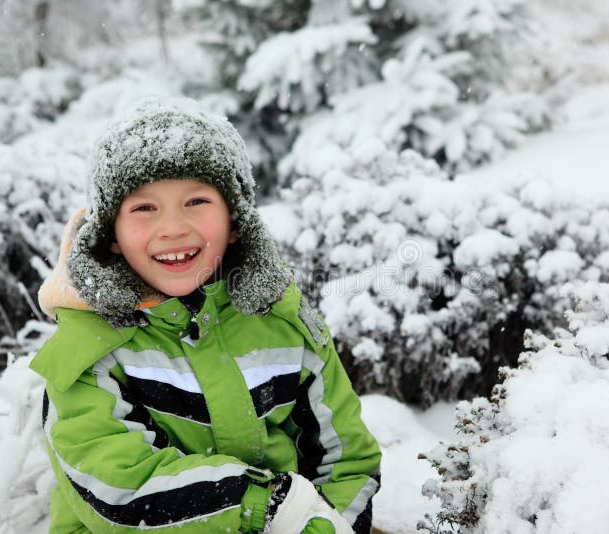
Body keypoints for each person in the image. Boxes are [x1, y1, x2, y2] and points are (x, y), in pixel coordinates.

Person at [30, 97, 382, 533]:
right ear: (111, 235)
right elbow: (119, 490)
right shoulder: (89, 347)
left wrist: (327, 525)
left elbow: (348, 461)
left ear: (235, 221)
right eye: (144, 208)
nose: (173, 227)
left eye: (196, 201)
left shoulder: (284, 323)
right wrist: (264, 509)